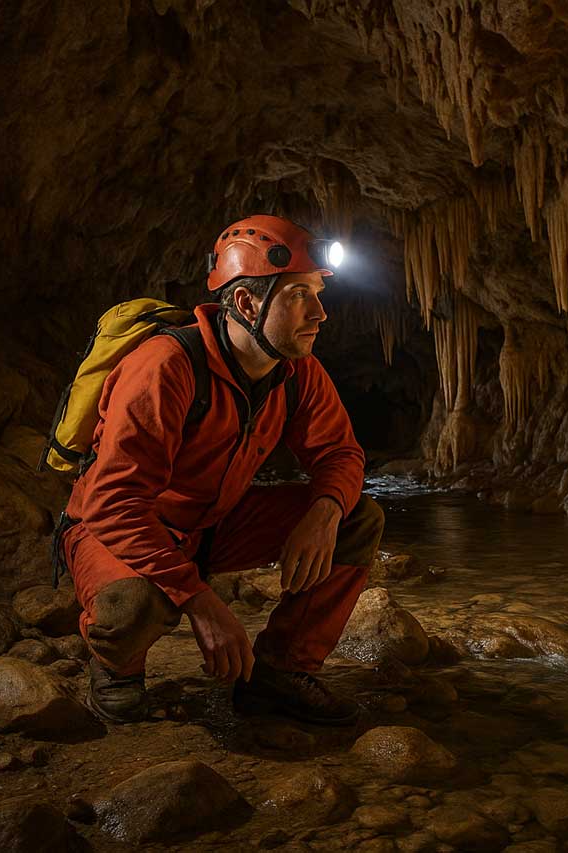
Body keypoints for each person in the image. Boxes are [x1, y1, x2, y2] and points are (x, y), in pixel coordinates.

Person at [61, 214, 383, 725]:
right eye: (300, 294)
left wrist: (323, 513)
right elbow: (112, 504)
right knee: (132, 603)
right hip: (125, 529)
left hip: (215, 523)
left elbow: (339, 454)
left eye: (318, 292)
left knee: (356, 517)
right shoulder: (165, 368)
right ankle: (117, 670)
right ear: (245, 303)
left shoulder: (297, 371)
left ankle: (280, 670)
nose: (320, 313)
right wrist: (201, 603)